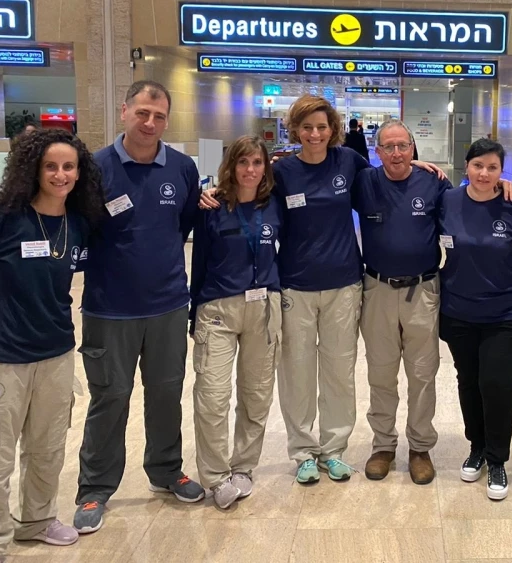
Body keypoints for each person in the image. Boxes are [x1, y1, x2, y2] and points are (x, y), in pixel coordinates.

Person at [264, 95, 445, 484]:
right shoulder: (284, 172)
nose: (315, 134)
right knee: (300, 371)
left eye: (322, 126)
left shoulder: (349, 163)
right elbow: (249, 199)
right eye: (307, 127)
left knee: (342, 372)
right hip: (301, 284)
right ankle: (310, 451)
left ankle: (340, 449)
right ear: (296, 130)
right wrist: (209, 195)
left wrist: (415, 164)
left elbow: (398, 173)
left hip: (348, 284)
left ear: (333, 131)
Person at [0, 129, 104, 563]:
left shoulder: (78, 221)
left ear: (79, 171)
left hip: (54, 352)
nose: (59, 174)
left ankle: (36, 521)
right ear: (33, 169)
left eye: (68, 166)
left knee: (47, 447)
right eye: (50, 166)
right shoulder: (2, 217)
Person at [73, 80, 205, 534]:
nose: (150, 123)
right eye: (143, 113)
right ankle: (94, 488)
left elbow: (183, 224)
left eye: (160, 116)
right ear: (124, 110)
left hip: (168, 304)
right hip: (109, 309)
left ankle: (166, 471)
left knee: (167, 393)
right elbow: (80, 229)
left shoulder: (183, 169)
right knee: (110, 398)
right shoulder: (93, 168)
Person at [353, 120, 453, 485]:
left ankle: (420, 447)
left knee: (423, 374)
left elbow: (467, 208)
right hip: (377, 289)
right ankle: (383, 445)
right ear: (377, 152)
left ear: (413, 148)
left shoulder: (434, 182)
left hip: (422, 290)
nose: (396, 154)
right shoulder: (364, 181)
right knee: (380, 372)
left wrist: (503, 183)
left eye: (402, 146)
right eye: (388, 147)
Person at [188, 135, 283, 510]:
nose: (250, 170)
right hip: (218, 309)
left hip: (263, 308)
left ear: (265, 167)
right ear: (231, 167)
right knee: (212, 397)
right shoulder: (211, 206)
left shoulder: (275, 206)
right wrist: (195, 312)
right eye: (243, 163)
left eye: (257, 163)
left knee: (256, 395)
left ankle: (244, 467)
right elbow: (198, 263)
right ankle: (214, 477)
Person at [439, 138, 512, 501]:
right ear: (466, 166)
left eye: (493, 168)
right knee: (469, 381)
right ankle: (475, 446)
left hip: (506, 313)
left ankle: (497, 459)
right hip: (458, 310)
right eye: (478, 166)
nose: (484, 173)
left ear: (501, 172)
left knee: (496, 383)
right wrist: (418, 163)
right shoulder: (446, 201)